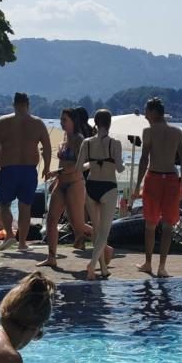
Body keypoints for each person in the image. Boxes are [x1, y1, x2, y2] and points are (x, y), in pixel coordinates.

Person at [0, 93, 52, 254]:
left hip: (8, 170)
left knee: (4, 204)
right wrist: (47, 167)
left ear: (14, 104)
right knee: (25, 207)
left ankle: (10, 235)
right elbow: (47, 146)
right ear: (28, 104)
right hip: (29, 170)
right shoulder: (37, 123)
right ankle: (22, 243)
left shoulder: (1, 122)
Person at [136, 98, 182, 277]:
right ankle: (161, 266)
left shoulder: (148, 131)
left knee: (150, 225)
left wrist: (137, 185)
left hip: (154, 178)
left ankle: (148, 263)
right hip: (172, 179)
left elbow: (144, 159)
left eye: (146, 111)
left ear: (153, 112)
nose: (144, 115)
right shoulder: (177, 132)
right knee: (167, 225)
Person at [40, 108, 93, 268]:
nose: (62, 123)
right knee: (51, 219)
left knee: (78, 225)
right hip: (61, 183)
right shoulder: (64, 138)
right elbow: (62, 162)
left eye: (65, 120)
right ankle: (51, 256)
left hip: (74, 184)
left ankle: (105, 247)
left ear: (73, 122)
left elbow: (79, 165)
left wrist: (57, 172)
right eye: (61, 119)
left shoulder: (79, 139)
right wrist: (56, 179)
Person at [79, 109, 124, 281]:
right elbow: (119, 168)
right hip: (108, 187)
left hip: (91, 186)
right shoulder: (115, 144)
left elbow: (79, 168)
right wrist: (121, 163)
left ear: (96, 123)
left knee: (96, 230)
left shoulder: (87, 142)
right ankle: (92, 265)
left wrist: (91, 164)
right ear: (109, 123)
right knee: (104, 232)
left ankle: (103, 268)